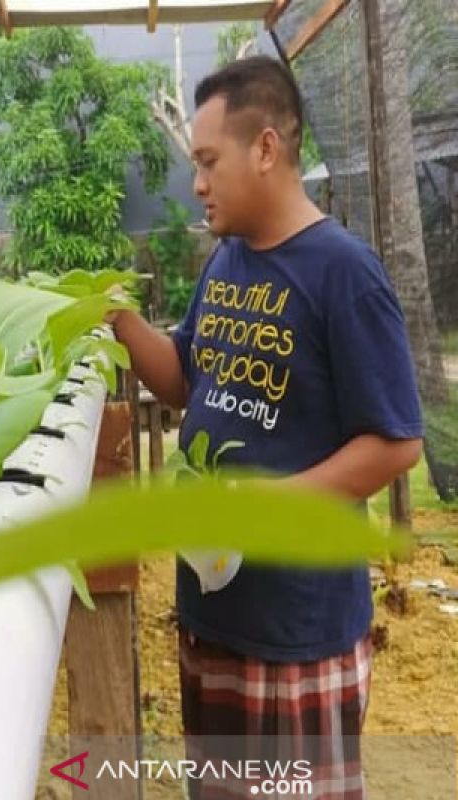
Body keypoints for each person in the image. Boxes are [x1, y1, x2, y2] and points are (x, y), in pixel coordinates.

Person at [110, 56, 423, 798]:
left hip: (297, 633)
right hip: (214, 610)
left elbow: (397, 440)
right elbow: (187, 381)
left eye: (208, 161)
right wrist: (119, 320)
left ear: (266, 149)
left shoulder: (343, 272)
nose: (198, 184)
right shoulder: (227, 263)